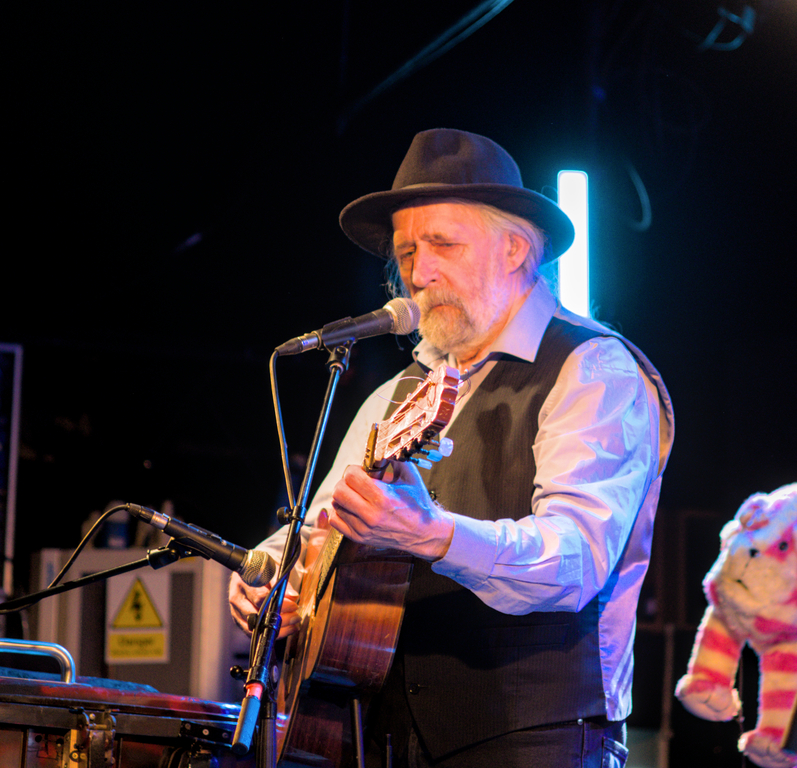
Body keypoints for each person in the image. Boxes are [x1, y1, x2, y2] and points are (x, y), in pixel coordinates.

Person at [228, 128, 674, 767]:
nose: (418, 272)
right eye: (407, 252)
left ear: (516, 247)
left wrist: (433, 535)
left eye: (443, 243)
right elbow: (319, 524)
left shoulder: (593, 367)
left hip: (535, 739)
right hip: (385, 736)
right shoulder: (397, 393)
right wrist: (268, 573)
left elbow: (577, 557)